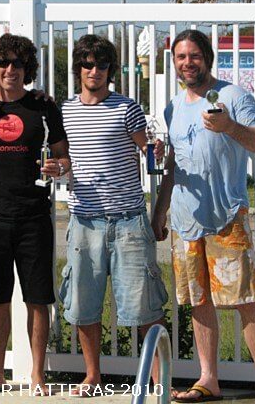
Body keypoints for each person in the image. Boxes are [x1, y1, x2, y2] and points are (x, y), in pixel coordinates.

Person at [151, 30, 255, 404]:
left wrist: (230, 127)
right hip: (184, 219)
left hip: (226, 217)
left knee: (245, 300)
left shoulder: (233, 96)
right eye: (180, 57)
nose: (187, 63)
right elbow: (174, 164)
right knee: (198, 300)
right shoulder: (173, 107)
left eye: (193, 55)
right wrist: (160, 210)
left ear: (207, 57)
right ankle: (209, 380)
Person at [0, 33, 70, 394]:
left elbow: (63, 157)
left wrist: (58, 166)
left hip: (34, 216)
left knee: (38, 298)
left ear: (27, 69)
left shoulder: (44, 107)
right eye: (3, 63)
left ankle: (37, 373)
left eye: (17, 64)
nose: (10, 70)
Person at [59, 34, 168, 396]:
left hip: (128, 221)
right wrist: (58, 169)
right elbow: (65, 161)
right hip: (84, 221)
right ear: (78, 68)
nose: (94, 71)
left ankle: (158, 382)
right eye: (88, 64)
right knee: (84, 305)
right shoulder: (65, 111)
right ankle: (93, 376)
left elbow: (150, 154)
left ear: (111, 70)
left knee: (145, 306)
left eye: (101, 64)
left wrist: (157, 150)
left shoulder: (127, 108)